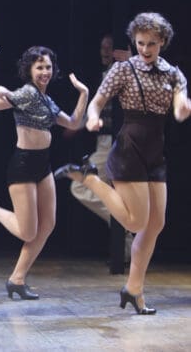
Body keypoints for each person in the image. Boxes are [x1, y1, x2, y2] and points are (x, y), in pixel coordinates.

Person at [54, 12, 191, 314]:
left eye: (151, 43)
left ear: (162, 42)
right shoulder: (123, 69)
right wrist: (92, 118)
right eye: (140, 43)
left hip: (155, 150)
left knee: (155, 224)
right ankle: (89, 178)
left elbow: (180, 106)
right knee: (135, 222)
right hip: (130, 146)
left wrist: (183, 108)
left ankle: (134, 289)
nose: (145, 49)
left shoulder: (173, 74)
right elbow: (97, 101)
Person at [0, 46, 88, 300]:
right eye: (39, 67)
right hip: (23, 165)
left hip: (43, 166)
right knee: (28, 231)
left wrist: (84, 93)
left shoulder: (46, 101)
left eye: (48, 67)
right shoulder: (27, 93)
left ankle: (17, 279)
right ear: (29, 70)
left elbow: (73, 123)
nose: (45, 72)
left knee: (47, 224)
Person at [65, 35, 133, 260]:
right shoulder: (107, 75)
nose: (105, 51)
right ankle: (126, 240)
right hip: (105, 140)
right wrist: (78, 124)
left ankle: (124, 226)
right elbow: (99, 106)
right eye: (102, 47)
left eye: (109, 47)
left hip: (117, 142)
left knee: (81, 185)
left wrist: (132, 61)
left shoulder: (124, 72)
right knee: (97, 188)